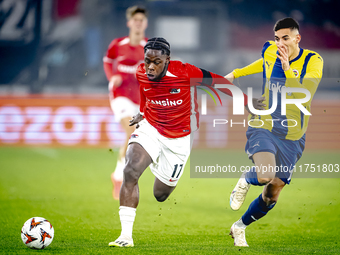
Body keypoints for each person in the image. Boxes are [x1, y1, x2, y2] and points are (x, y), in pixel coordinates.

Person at [108, 37, 264, 247]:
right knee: (130, 170)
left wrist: (247, 102)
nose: (150, 67)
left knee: (160, 194)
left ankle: (157, 162)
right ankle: (125, 237)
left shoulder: (185, 71)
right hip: (151, 128)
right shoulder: (141, 72)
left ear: (168, 60)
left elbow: (219, 82)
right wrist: (142, 113)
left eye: (156, 62)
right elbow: (145, 92)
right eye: (147, 61)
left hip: (179, 138)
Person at [225, 17, 323, 247]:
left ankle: (239, 227)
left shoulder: (313, 61)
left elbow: (305, 94)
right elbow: (262, 62)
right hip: (265, 123)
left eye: (286, 39)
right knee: (264, 175)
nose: (280, 43)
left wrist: (288, 69)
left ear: (297, 38)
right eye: (277, 38)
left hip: (293, 135)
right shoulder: (270, 50)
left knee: (272, 194)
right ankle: (245, 179)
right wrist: (236, 74)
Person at [103, 6, 148, 200]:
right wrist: (112, 77)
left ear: (145, 24)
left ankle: (116, 175)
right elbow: (107, 61)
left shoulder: (149, 47)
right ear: (129, 23)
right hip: (120, 94)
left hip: (139, 98)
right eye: (135, 20)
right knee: (131, 132)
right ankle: (121, 179)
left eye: (142, 20)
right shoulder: (118, 44)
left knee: (134, 139)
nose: (138, 23)